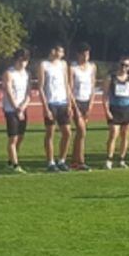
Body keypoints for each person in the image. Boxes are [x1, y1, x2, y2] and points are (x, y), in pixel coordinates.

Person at [39, 43, 73, 172]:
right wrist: (45, 107)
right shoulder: (44, 65)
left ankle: (62, 160)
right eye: (60, 51)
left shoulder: (63, 64)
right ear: (53, 51)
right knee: (50, 133)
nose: (62, 54)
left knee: (67, 132)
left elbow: (66, 83)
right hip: (51, 102)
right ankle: (50, 162)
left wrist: (69, 103)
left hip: (63, 102)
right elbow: (41, 87)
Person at [104, 54, 129, 169]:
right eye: (122, 65)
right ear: (119, 64)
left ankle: (122, 159)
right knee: (113, 134)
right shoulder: (111, 78)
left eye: (127, 65)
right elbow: (105, 96)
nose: (124, 67)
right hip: (115, 109)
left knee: (125, 135)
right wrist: (107, 110)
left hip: (127, 109)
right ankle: (109, 159)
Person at [2, 48, 32, 173]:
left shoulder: (27, 74)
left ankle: (11, 160)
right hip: (11, 109)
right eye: (21, 60)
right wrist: (16, 108)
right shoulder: (9, 73)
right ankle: (15, 164)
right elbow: (9, 92)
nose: (23, 63)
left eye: (25, 60)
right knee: (13, 138)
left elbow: (28, 93)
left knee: (20, 136)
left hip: (22, 108)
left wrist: (23, 106)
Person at [69, 42, 96, 171]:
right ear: (78, 54)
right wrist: (74, 106)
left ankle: (74, 160)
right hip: (77, 101)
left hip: (87, 101)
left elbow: (92, 85)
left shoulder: (92, 67)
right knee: (82, 131)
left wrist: (91, 103)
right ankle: (81, 161)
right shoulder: (73, 68)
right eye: (83, 54)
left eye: (88, 54)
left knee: (80, 134)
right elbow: (70, 87)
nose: (86, 57)